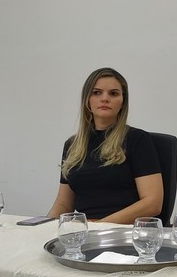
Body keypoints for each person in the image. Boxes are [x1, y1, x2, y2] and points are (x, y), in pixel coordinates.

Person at [47, 67, 163, 224]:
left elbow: (152, 203)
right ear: (87, 100)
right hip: (85, 231)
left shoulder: (137, 139)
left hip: (124, 231)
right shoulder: (72, 145)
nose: (105, 98)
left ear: (122, 103)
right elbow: (63, 204)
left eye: (113, 94)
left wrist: (98, 227)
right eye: (97, 93)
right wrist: (42, 228)